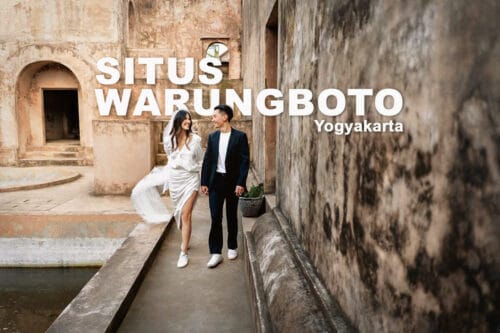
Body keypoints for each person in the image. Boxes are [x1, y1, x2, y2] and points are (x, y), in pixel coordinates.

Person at [131, 110, 202, 268]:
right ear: (178, 121)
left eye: (189, 119)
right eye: (185, 119)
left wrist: (202, 180)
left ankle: (183, 252)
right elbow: (170, 161)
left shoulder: (195, 140)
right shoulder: (170, 141)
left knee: (186, 214)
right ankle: (186, 239)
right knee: (179, 214)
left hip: (191, 180)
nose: (188, 121)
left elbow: (201, 159)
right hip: (176, 181)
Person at [201, 104, 250, 268]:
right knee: (215, 217)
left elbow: (244, 162)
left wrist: (240, 182)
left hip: (232, 183)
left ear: (225, 117)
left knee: (231, 216)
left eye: (215, 116)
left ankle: (232, 246)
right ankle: (215, 252)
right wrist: (204, 182)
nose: (212, 119)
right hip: (216, 182)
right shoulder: (213, 137)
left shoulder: (240, 137)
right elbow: (208, 161)